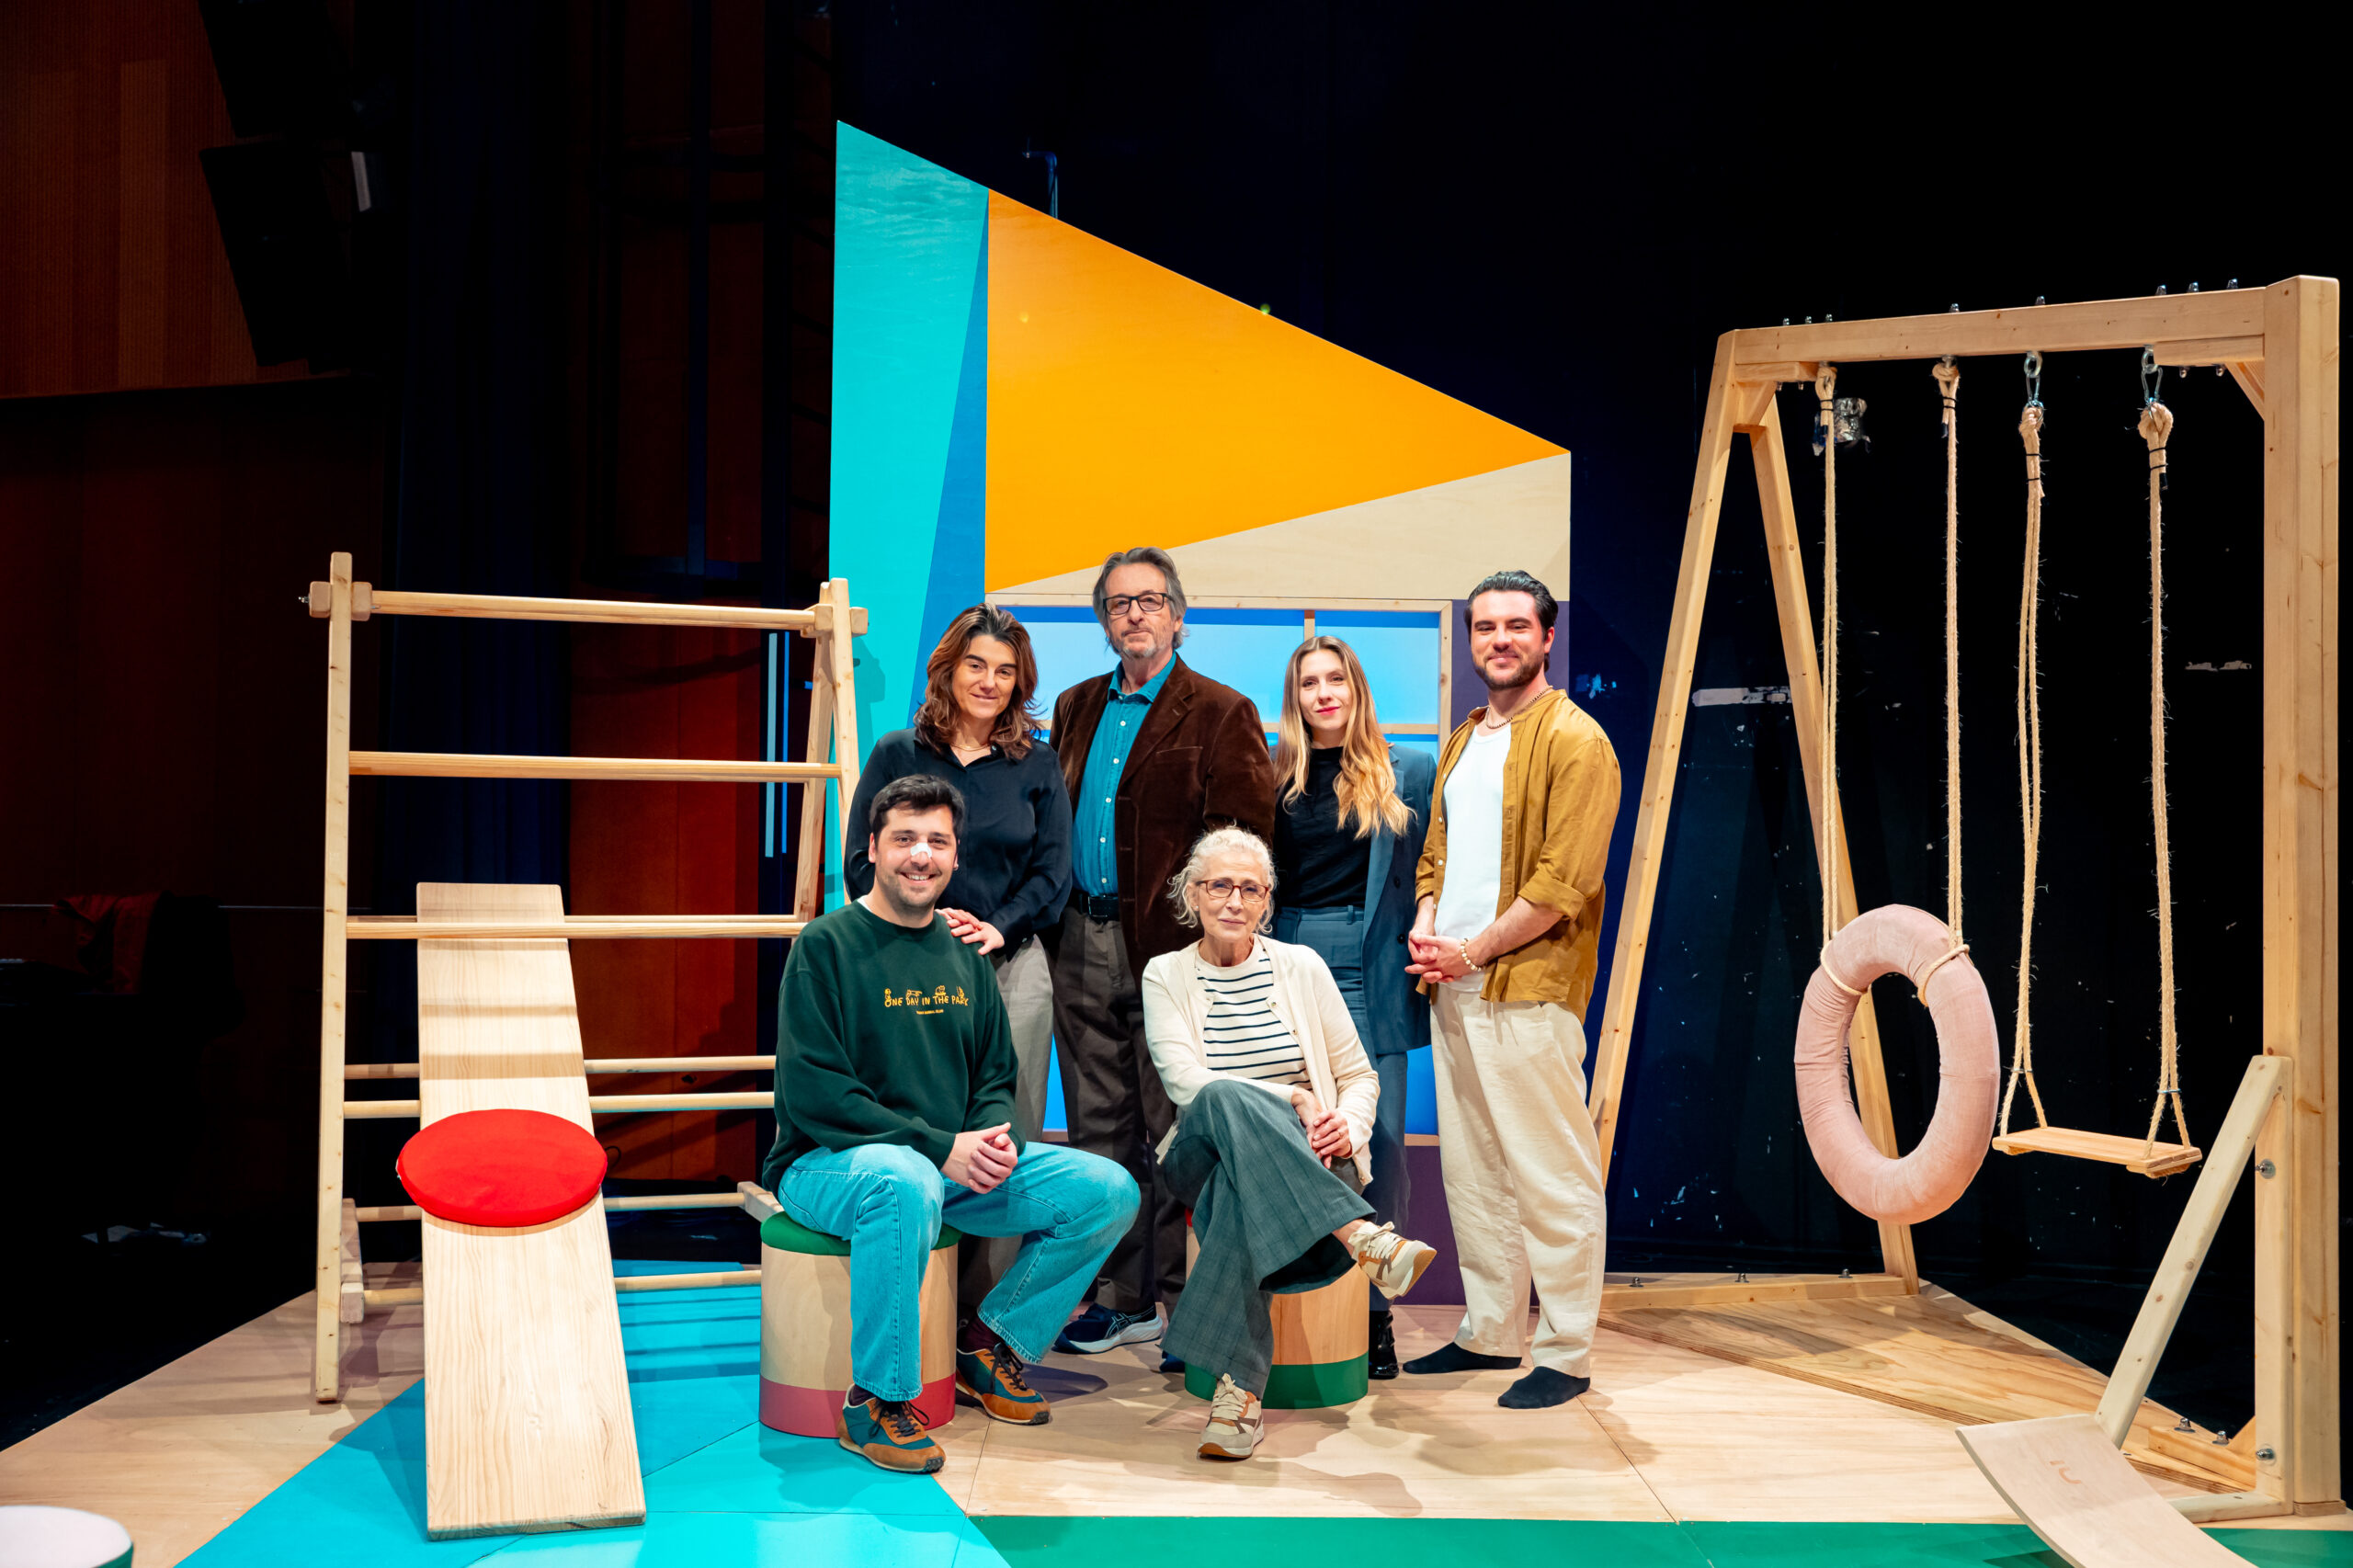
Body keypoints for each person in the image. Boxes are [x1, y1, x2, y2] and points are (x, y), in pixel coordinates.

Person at [762, 776, 1138, 1473]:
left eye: (937, 841)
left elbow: (996, 1077)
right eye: (904, 838)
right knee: (902, 1181)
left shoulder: (965, 951)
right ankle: (876, 1401)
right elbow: (819, 1096)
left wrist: (994, 1139)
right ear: (873, 849)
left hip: (942, 1166)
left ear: (956, 856)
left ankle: (991, 1346)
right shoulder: (825, 945)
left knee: (1107, 1190)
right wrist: (940, 1149)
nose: (921, 855)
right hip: (829, 1164)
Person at [1142, 826, 1438, 1460]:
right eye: (1219, 885)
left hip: (1312, 1156)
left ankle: (1239, 1400)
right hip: (1202, 1151)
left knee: (1238, 1195)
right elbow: (1185, 1082)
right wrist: (1294, 1099)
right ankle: (1358, 1234)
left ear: (1268, 901)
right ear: (1191, 894)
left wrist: (1347, 1125)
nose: (1234, 901)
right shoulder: (1165, 973)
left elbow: (1359, 1076)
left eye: (1251, 889)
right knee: (1223, 1097)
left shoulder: (1301, 966)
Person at [1048, 546, 1278, 1357]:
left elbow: (1243, 844)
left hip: (1173, 953)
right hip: (1079, 938)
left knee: (1180, 1131)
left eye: (1149, 600)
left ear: (1178, 616)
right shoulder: (1074, 706)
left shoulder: (1221, 710)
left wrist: (1217, 947)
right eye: (1118, 603)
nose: (1134, 614)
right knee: (1098, 1132)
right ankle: (1124, 1299)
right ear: (1104, 621)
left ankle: (1195, 1309)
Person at [1403, 569, 1620, 1411]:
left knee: (1552, 1174)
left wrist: (1473, 951)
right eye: (1485, 626)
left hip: (1526, 987)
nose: (1500, 639)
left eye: (1516, 626)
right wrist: (1430, 928)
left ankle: (1566, 1352)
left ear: (1547, 637)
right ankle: (1491, 1331)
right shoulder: (1465, 738)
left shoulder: (1577, 740)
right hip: (1453, 984)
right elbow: (1436, 855)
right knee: (1476, 1171)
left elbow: (1563, 885)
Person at [844, 605, 1072, 1329]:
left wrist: (998, 928)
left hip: (1011, 967)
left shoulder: (1037, 763)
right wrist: (925, 922)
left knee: (1005, 1138)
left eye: (1005, 671)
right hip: (909, 964)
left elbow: (1053, 874)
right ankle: (918, 1304)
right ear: (948, 669)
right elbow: (860, 863)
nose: (989, 682)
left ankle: (979, 1320)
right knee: (924, 1122)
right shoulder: (897, 753)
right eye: (976, 665)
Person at [1267, 635, 1436, 1380]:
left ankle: (1374, 1316)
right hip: (1289, 957)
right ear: (1295, 697)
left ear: (1356, 688)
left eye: (1336, 678)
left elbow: (1435, 871)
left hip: (1371, 967)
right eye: (1309, 683)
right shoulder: (1272, 775)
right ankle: (1301, 1307)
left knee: (1382, 1144)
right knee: (1297, 1138)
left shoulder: (1410, 771)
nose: (1324, 693)